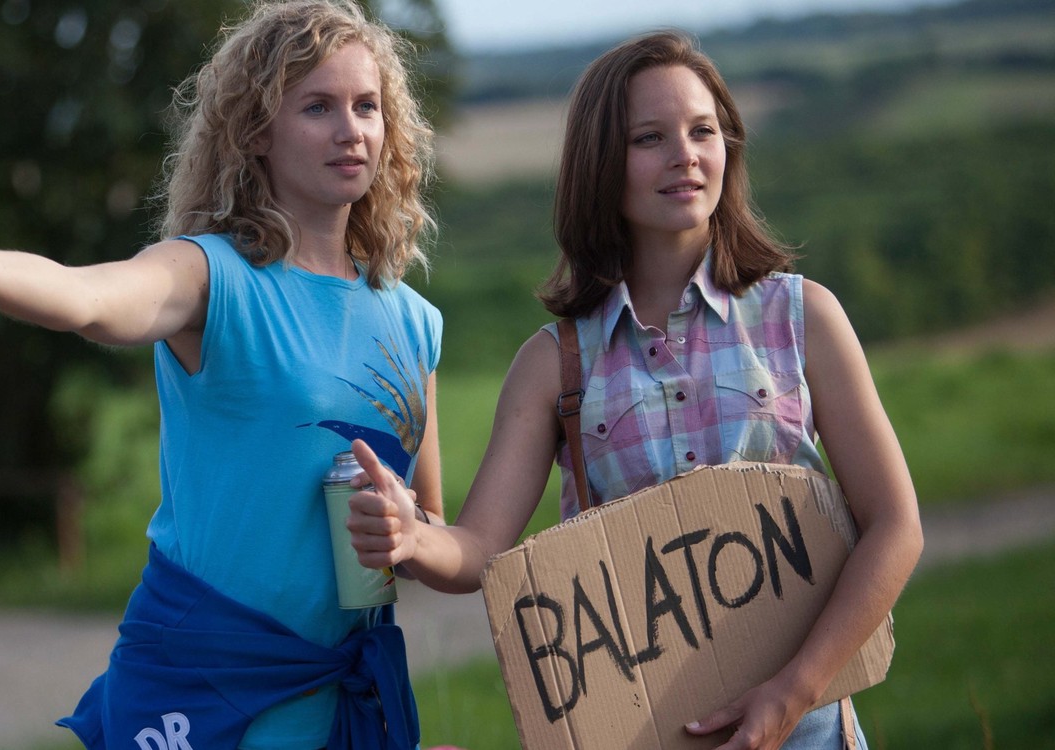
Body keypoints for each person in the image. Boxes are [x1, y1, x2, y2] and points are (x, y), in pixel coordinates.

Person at [0, 2, 444, 748]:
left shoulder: (413, 320)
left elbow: (432, 534)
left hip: (344, 696)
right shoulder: (212, 274)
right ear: (256, 134)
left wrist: (406, 529)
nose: (351, 130)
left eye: (366, 106)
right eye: (318, 107)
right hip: (205, 688)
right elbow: (89, 298)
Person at [347, 29, 923, 750]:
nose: (684, 154)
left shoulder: (804, 316)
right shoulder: (552, 364)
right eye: (649, 137)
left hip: (807, 733)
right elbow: (479, 550)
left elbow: (896, 525)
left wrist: (793, 692)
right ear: (601, 166)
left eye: (703, 130)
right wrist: (412, 534)